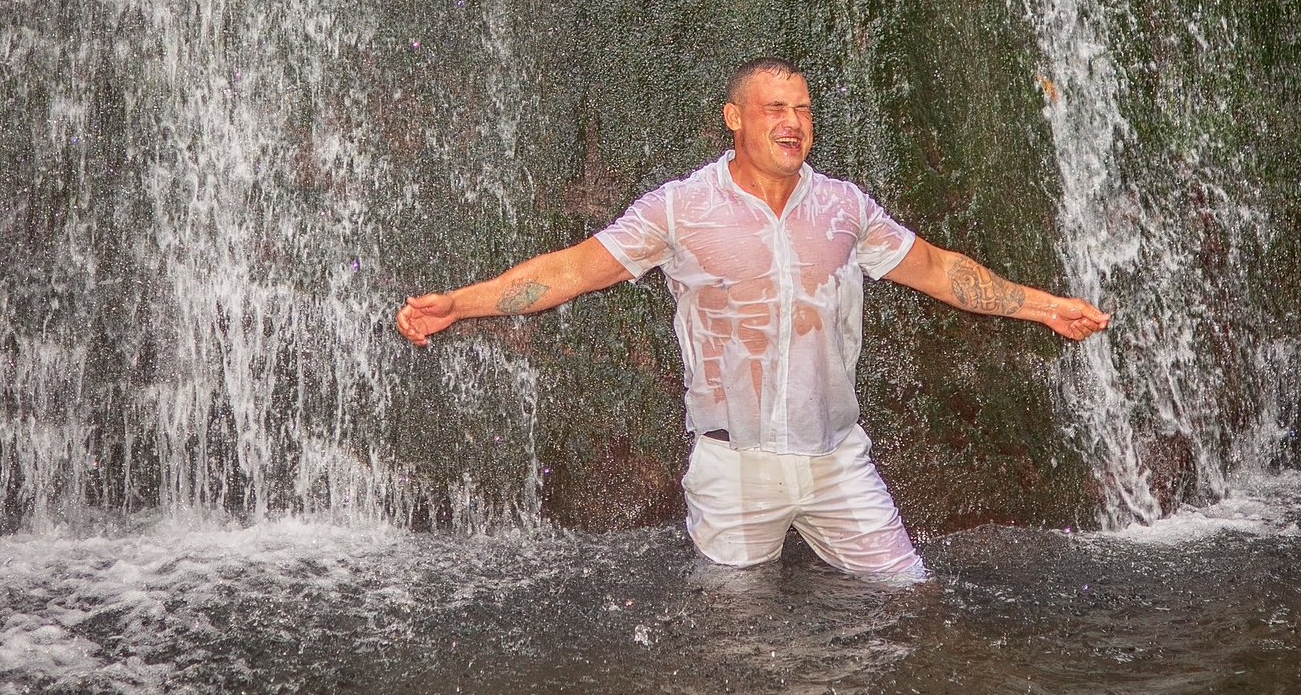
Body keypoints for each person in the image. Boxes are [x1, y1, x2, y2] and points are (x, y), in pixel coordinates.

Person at [396, 56, 1110, 581]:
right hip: (733, 465)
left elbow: (940, 269)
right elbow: (570, 270)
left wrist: (1046, 308)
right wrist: (461, 304)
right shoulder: (679, 209)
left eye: (802, 109)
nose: (792, 122)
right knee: (734, 637)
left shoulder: (844, 208)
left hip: (835, 459)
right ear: (734, 117)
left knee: (909, 597)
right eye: (774, 108)